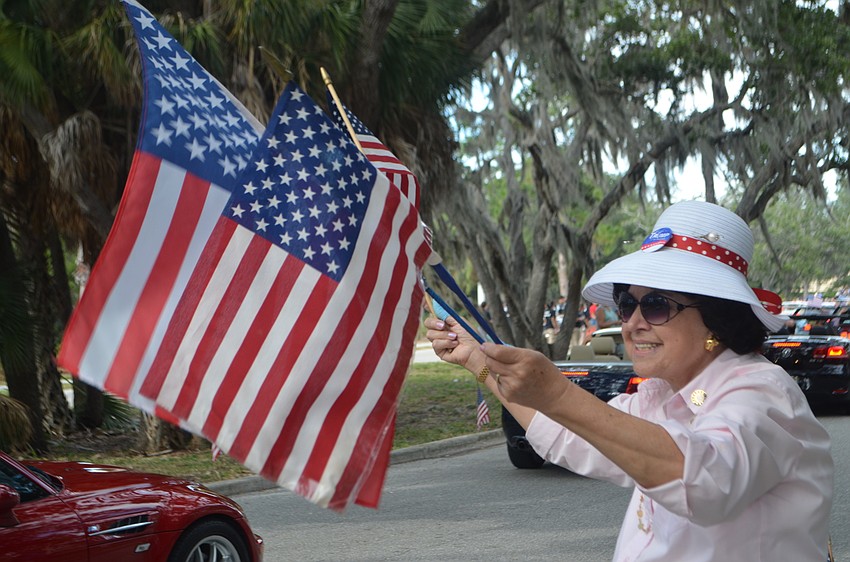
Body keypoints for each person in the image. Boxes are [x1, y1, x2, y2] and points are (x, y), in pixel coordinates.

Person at [425, 200, 833, 561]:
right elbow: (568, 435)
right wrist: (478, 362)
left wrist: (558, 392)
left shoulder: (763, 391)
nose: (633, 323)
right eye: (626, 304)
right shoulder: (662, 396)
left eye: (655, 306)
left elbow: (707, 481)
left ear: (716, 318)